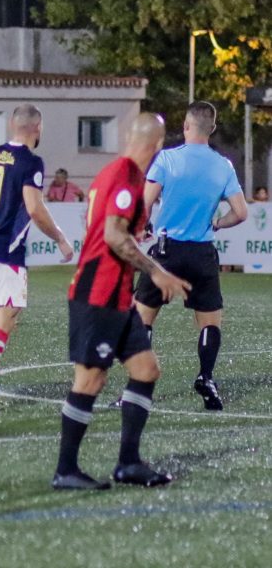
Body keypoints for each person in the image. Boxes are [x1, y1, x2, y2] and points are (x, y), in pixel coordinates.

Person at [52, 113, 191, 491]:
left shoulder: (114, 173)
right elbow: (114, 235)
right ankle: (66, 470)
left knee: (146, 369)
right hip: (97, 295)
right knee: (91, 378)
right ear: (159, 144)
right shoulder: (127, 174)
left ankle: (128, 463)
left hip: (117, 296)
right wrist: (156, 271)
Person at [0, 104, 74, 412]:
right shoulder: (30, 162)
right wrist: (60, 237)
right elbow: (34, 208)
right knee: (5, 316)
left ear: (11, 125)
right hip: (4, 250)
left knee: (4, 316)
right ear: (38, 128)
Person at [132, 101, 248, 411]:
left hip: (166, 251)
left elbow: (144, 204)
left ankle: (138, 387)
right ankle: (206, 377)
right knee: (209, 321)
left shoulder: (167, 159)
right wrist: (217, 222)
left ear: (186, 126)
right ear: (211, 129)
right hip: (202, 252)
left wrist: (143, 227)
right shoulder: (223, 165)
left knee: (143, 316)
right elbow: (241, 213)